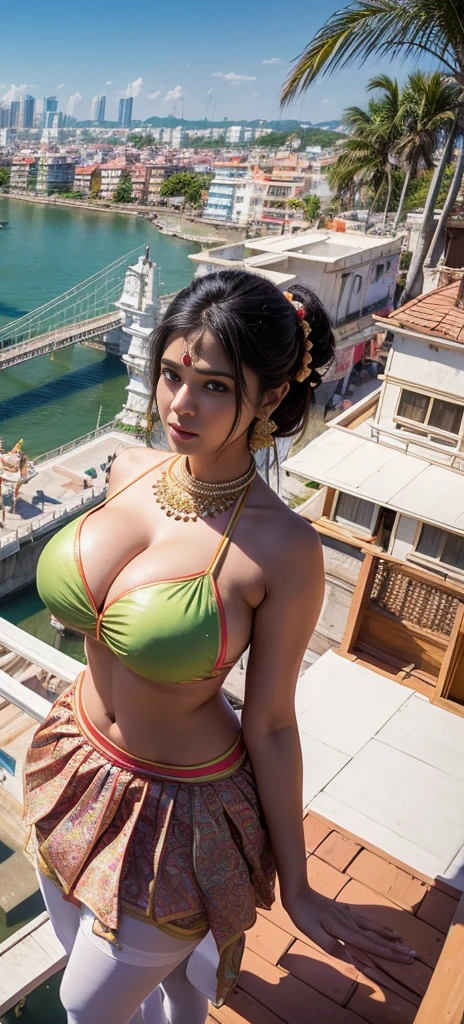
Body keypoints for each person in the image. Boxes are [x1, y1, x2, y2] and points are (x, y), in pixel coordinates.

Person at [25, 270, 413, 1024]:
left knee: (83, 1006)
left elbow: (270, 722)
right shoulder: (128, 468)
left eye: (213, 386)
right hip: (70, 762)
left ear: (268, 398)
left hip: (180, 814)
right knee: (101, 957)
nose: (179, 404)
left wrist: (297, 888)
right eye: (172, 374)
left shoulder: (284, 549)